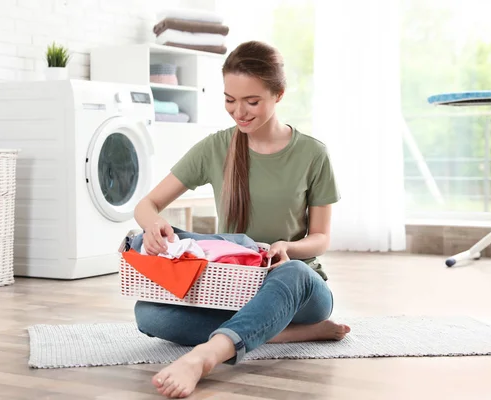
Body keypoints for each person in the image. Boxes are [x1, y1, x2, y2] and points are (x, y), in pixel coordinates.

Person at [133, 40, 350, 399]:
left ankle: (205, 356)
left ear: (278, 94)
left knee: (293, 271)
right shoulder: (215, 147)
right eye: (230, 100)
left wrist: (288, 248)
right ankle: (283, 332)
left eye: (252, 101)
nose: (239, 112)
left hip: (297, 288)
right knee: (149, 315)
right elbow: (148, 203)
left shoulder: (313, 154)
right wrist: (152, 224)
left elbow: (321, 238)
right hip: (230, 286)